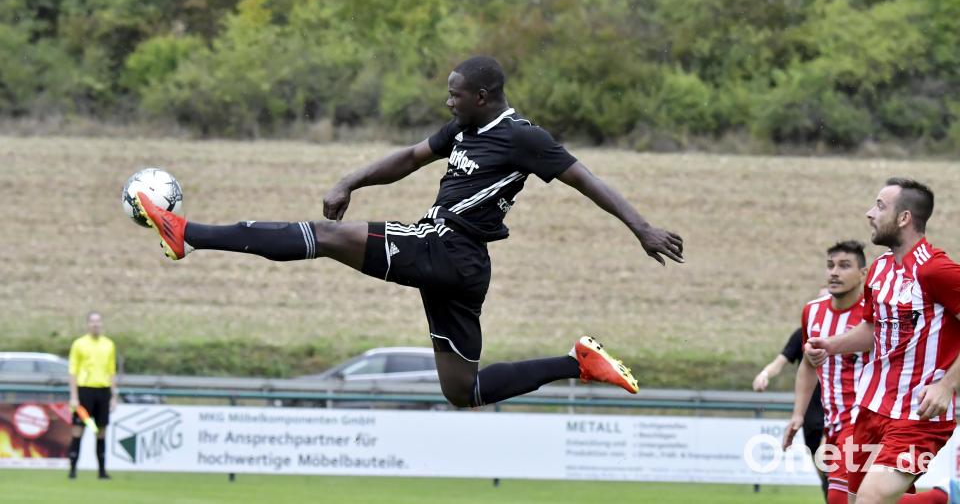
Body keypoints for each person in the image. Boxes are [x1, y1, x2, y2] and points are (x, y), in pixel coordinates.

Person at [130, 55, 684, 408]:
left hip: (449, 248)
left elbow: (587, 180)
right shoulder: (464, 128)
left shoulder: (524, 138)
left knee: (326, 239)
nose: (449, 100)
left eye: (456, 93)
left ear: (484, 96)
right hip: (460, 270)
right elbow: (411, 157)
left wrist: (642, 228)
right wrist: (352, 180)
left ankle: (188, 233)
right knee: (463, 392)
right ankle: (579, 362)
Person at [806, 178, 958, 504]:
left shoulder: (936, 271)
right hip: (871, 408)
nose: (869, 214)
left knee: (870, 500)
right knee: (848, 500)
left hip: (919, 417)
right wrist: (830, 345)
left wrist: (947, 386)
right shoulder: (879, 271)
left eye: (879, 206)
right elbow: (871, 331)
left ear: (904, 218)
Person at [782, 241, 868, 504]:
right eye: (830, 265)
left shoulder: (873, 314)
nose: (834, 272)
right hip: (834, 423)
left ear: (863, 273)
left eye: (844, 266)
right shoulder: (813, 311)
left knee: (838, 496)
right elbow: (808, 364)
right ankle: (940, 497)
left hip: (865, 421)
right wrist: (798, 414)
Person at [754, 323, 828, 500]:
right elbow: (780, 362)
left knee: (827, 459)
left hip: (837, 410)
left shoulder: (850, 331)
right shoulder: (804, 332)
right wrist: (764, 375)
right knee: (824, 475)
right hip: (811, 414)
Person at [67, 311, 117, 479]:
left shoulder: (109, 344)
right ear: (87, 324)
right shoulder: (79, 344)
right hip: (84, 391)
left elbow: (111, 371)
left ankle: (102, 471)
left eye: (98, 321)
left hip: (103, 391)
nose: (95, 325)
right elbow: (73, 371)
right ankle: (73, 469)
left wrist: (113, 395)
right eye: (92, 322)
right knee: (78, 430)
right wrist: (74, 396)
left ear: (101, 324)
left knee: (101, 431)